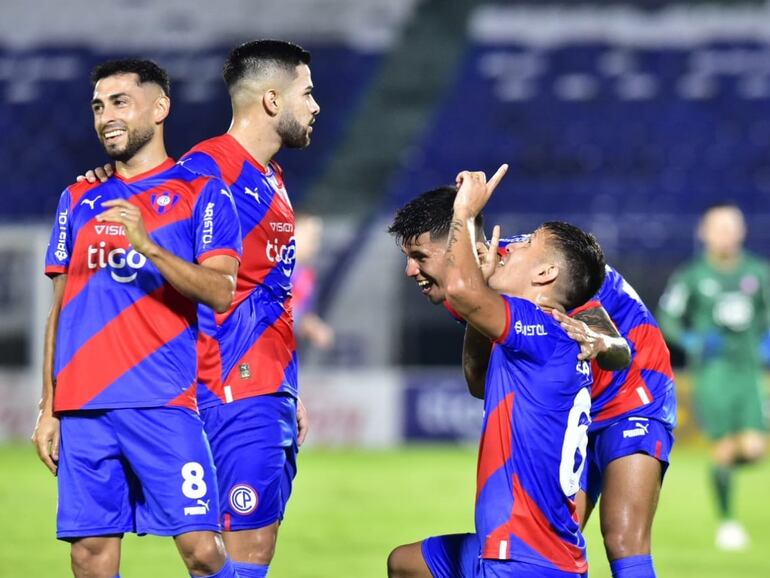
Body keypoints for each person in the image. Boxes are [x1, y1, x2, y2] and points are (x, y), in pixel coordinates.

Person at [80, 41, 318, 577]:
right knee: (240, 558)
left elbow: (267, 289)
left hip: (265, 383)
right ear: (273, 100)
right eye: (307, 92)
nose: (316, 105)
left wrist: (288, 386)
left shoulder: (271, 178)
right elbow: (147, 230)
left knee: (246, 555)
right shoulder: (208, 168)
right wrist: (106, 182)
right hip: (228, 384)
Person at [389, 187, 677, 578]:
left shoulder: (538, 275)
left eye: (420, 258)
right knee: (550, 537)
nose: (411, 271)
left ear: (455, 246)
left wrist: (599, 341)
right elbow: (479, 383)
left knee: (622, 537)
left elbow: (618, 351)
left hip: (631, 393)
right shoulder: (483, 287)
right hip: (568, 403)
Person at [30, 59, 242, 578]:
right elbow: (61, 309)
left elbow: (220, 290)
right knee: (89, 557)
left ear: (160, 107)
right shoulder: (78, 196)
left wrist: (148, 246)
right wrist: (49, 406)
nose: (106, 117)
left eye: (120, 102)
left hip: (162, 402)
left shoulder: (201, 191)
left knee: (205, 553)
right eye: (99, 107)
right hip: (84, 408)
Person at [658, 203, 769, 550]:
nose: (725, 234)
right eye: (718, 227)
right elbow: (668, 315)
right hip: (714, 373)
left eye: (731, 227)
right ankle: (727, 523)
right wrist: (690, 340)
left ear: (742, 232)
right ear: (704, 233)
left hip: (749, 372)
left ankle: (723, 471)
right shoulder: (692, 276)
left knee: (754, 448)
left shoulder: (758, 272)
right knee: (723, 447)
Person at [292, 212, 335, 350]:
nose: (315, 244)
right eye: (310, 236)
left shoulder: (307, 276)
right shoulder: (272, 269)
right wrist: (310, 326)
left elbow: (303, 313)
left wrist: (313, 325)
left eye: (317, 238)